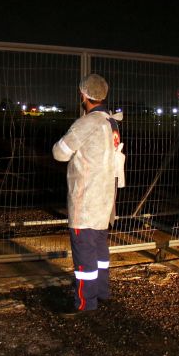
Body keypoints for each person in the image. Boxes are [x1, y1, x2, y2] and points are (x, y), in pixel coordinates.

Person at [52, 74, 125, 317]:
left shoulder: (87, 123)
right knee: (100, 249)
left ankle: (85, 302)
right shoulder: (112, 122)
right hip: (105, 197)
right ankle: (101, 292)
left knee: (84, 252)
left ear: (83, 95)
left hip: (86, 198)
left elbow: (60, 153)